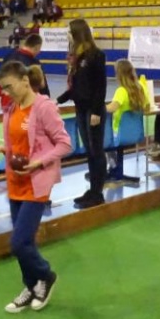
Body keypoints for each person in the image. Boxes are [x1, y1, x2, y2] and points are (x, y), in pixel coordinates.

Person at [0, 61, 72, 313]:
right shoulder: (11, 108)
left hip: (36, 184)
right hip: (15, 181)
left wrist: (38, 162)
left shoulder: (44, 108)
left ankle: (46, 276)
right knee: (25, 242)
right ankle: (30, 287)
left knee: (18, 243)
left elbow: (65, 143)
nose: (7, 93)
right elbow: (17, 145)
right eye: (4, 89)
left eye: (9, 87)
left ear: (25, 81)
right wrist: (1, 148)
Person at [56, 19, 107, 209]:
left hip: (93, 111)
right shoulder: (77, 56)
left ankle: (98, 193)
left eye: (69, 32)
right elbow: (76, 87)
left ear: (78, 33)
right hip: (81, 109)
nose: (68, 35)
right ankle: (92, 190)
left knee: (96, 151)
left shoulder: (96, 55)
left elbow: (100, 86)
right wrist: (59, 100)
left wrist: (96, 112)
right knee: (89, 152)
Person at [0, 34, 48, 112]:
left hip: (7, 105)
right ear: (37, 47)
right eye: (39, 49)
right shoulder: (35, 64)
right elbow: (42, 87)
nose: (39, 52)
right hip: (25, 105)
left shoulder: (9, 57)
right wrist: (47, 103)